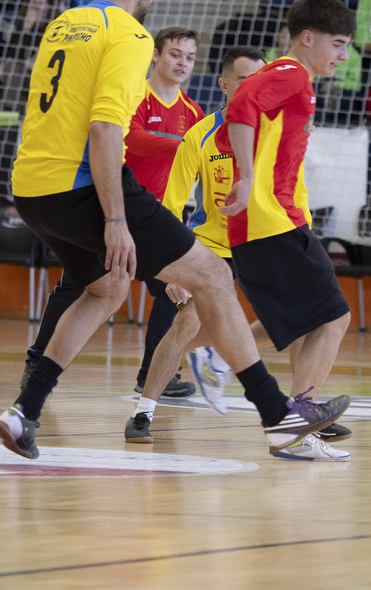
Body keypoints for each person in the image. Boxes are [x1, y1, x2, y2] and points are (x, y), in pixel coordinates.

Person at [0, 0, 350, 460]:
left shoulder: (63, 23)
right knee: (212, 275)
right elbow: (105, 128)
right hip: (84, 186)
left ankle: (24, 411)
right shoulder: (131, 35)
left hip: (31, 186)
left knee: (107, 288)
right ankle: (277, 418)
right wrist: (115, 218)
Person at [214, 0, 356, 461]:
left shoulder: (294, 78)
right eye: (337, 44)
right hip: (270, 221)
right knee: (334, 318)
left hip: (270, 222)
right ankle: (295, 417)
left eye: (347, 46)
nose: (343, 55)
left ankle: (294, 425)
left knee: (308, 325)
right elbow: (238, 109)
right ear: (307, 38)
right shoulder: (290, 73)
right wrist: (250, 176)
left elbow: (230, 129)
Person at [125, 46, 267, 443]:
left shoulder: (273, 131)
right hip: (211, 244)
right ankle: (143, 413)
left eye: (260, 78)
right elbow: (170, 204)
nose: (253, 87)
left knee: (296, 321)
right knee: (185, 323)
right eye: (243, 79)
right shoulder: (200, 134)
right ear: (224, 85)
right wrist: (171, 265)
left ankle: (302, 408)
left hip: (262, 240)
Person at [122, 27, 205, 397]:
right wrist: (182, 146)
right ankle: (41, 362)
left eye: (189, 57)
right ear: (155, 56)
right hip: (121, 210)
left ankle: (154, 374)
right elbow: (130, 138)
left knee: (176, 292)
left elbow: (203, 158)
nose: (182, 63)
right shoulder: (136, 94)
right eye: (175, 54)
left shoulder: (193, 112)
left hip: (166, 218)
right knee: (84, 290)